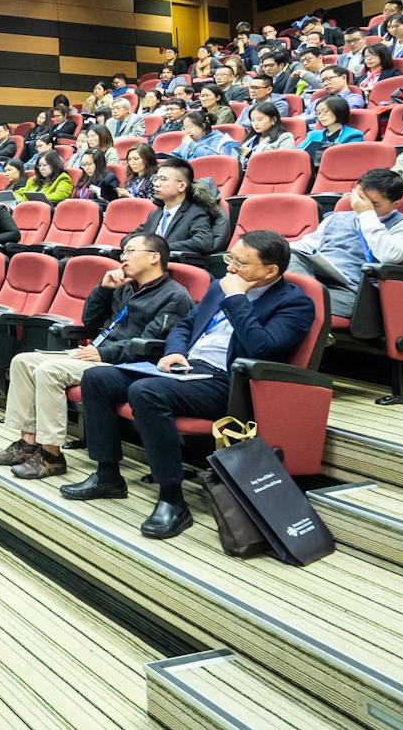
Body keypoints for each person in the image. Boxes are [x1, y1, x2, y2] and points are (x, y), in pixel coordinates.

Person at [63, 231, 316, 539]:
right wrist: (174, 351)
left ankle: (172, 498)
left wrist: (237, 298)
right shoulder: (219, 287)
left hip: (230, 381)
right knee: (98, 378)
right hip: (187, 369)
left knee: (146, 392)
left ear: (270, 271)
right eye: (229, 259)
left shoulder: (295, 303)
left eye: (240, 263)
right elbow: (185, 325)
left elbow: (259, 348)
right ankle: (107, 474)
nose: (231, 269)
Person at [0, 232, 194, 479]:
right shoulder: (125, 286)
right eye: (123, 252)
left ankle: (51, 455)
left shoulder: (174, 296)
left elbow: (150, 344)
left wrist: (101, 353)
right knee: (22, 361)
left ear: (153, 257)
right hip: (97, 353)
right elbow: (90, 321)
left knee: (49, 371)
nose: (123, 258)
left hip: (127, 364)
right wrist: (104, 289)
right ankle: (28, 443)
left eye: (130, 251)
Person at [286, 169, 403, 317]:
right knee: (287, 255)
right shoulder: (336, 218)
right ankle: (305, 297)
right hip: (318, 282)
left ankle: (300, 299)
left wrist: (366, 214)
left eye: (374, 204)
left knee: (283, 303)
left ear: (395, 204)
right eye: (360, 199)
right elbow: (306, 247)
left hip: (355, 294)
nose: (361, 205)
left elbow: (389, 256)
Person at [145, 158, 220, 257]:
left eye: (163, 179)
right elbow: (132, 236)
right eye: (156, 178)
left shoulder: (195, 212)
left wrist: (160, 247)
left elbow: (203, 242)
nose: (156, 184)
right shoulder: (155, 214)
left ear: (181, 186)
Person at [172, 110, 238, 161]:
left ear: (203, 126)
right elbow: (174, 154)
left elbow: (210, 158)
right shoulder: (190, 138)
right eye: (184, 128)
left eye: (190, 127)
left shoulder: (218, 137)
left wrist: (191, 144)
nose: (187, 131)